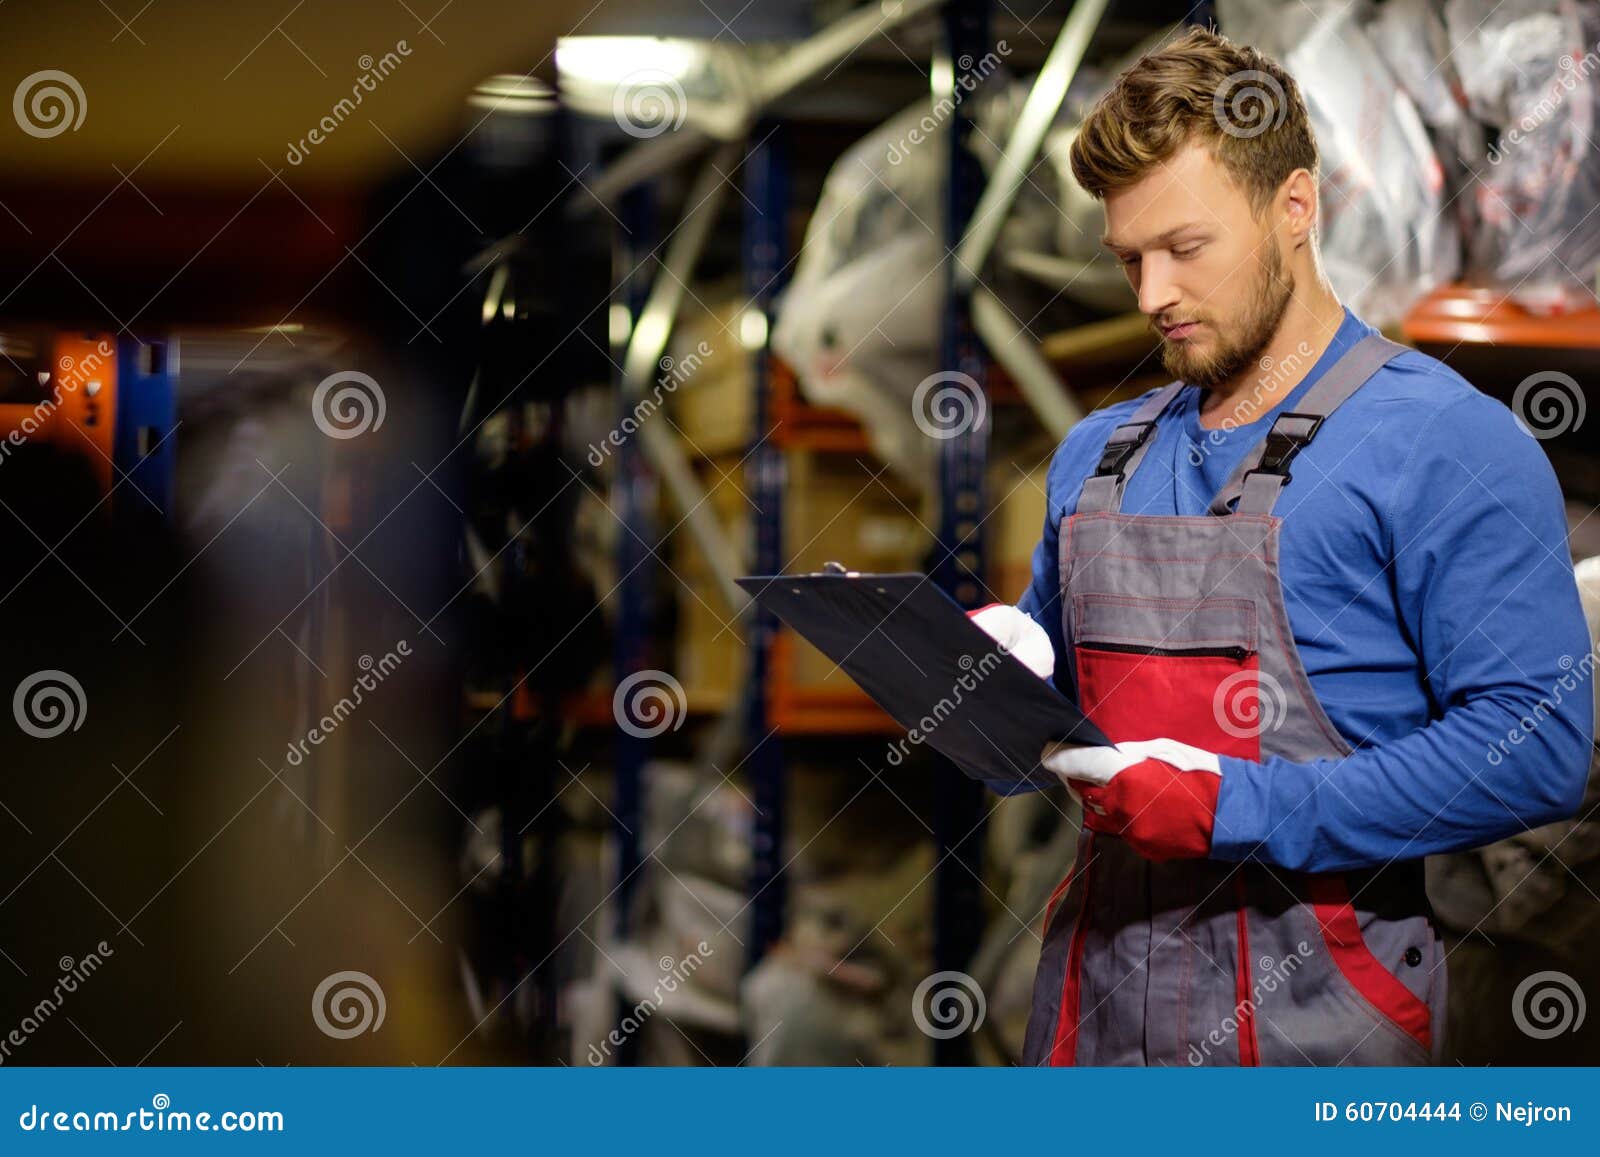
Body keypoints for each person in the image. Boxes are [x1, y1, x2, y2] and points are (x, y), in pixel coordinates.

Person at [967, 26, 1592, 1066]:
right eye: (1129, 258)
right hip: (1090, 1026)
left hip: (1316, 1034)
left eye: (1185, 248)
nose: (1151, 294)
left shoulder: (1443, 442)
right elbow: (1050, 740)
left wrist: (1234, 806)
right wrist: (987, 677)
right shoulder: (1094, 458)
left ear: (1295, 206)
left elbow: (1535, 753)